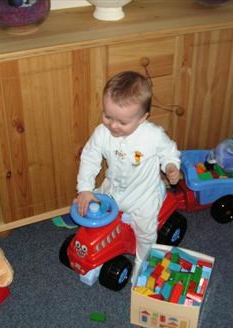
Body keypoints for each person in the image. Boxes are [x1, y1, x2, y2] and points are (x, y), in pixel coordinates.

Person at [75, 71, 181, 282]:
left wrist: (171, 166)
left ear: (142, 118)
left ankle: (142, 263)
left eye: (122, 122)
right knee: (89, 206)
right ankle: (93, 253)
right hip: (112, 189)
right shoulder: (102, 133)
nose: (113, 125)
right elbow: (90, 157)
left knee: (146, 232)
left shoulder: (152, 135)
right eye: (107, 116)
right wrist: (85, 189)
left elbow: (169, 151)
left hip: (143, 197)